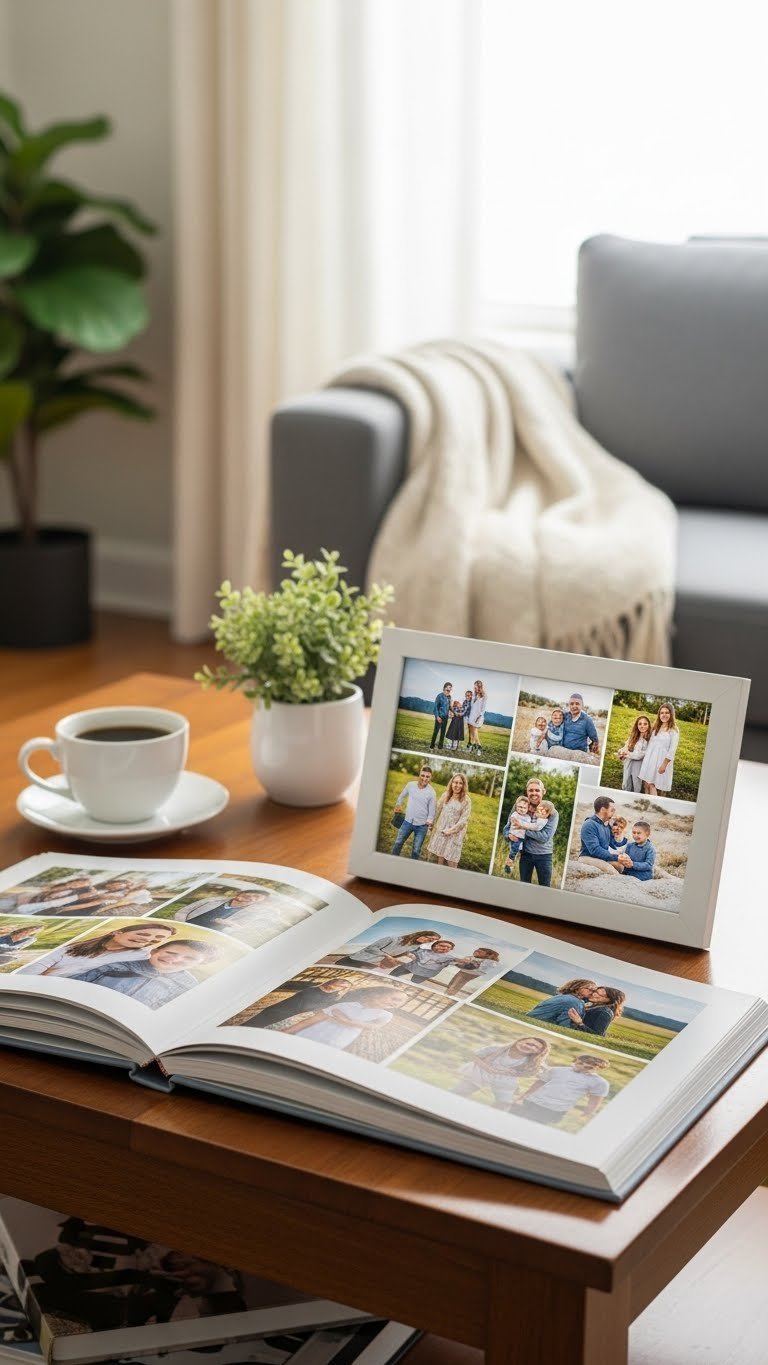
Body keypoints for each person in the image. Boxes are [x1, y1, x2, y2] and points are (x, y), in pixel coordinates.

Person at [72, 939, 221, 1009]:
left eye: (189, 958)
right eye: (170, 952)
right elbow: (76, 986)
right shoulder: (117, 965)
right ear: (155, 951)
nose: (174, 959)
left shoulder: (188, 986)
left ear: (199, 964)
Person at [20, 922, 180, 977]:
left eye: (156, 939)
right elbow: (32, 970)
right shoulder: (74, 947)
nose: (147, 940)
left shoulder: (141, 956)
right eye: (143, 934)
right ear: (117, 932)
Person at [280, 985, 408, 1051]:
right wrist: (286, 1031)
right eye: (394, 999)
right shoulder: (345, 1005)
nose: (396, 1003)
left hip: (335, 1042)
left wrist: (347, 1021)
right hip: (312, 1034)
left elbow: (374, 1027)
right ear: (376, 994)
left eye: (400, 1002)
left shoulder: (385, 1015)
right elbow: (311, 1020)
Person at [451, 1036, 551, 1109]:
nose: (531, 1047)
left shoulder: (531, 1061)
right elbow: (475, 1056)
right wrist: (489, 1068)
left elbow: (535, 1073)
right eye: (529, 1044)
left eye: (536, 1048)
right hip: (482, 1072)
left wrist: (516, 1073)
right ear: (519, 1041)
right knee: (461, 1090)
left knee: (504, 1103)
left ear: (538, 1052)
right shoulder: (496, 1049)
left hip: (505, 1079)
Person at [513, 1054, 611, 1125]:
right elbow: (540, 1082)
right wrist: (523, 1096)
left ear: (599, 1067)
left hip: (555, 1109)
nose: (586, 1066)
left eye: (593, 1065)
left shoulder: (599, 1082)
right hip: (532, 1101)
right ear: (576, 1062)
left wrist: (588, 1112)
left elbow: (595, 1099)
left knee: (535, 1125)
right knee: (515, 1118)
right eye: (582, 1063)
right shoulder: (557, 1070)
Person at [244, 976, 353, 1028]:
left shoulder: (332, 999)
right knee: (247, 1026)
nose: (339, 983)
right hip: (274, 1010)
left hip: (286, 1019)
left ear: (342, 989)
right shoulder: (314, 988)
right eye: (340, 981)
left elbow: (312, 1009)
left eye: (343, 984)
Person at [518, 778, 559, 887]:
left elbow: (545, 837)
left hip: (544, 856)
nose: (534, 793)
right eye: (531, 790)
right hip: (525, 855)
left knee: (544, 887)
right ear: (527, 792)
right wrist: (508, 834)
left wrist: (523, 829)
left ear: (543, 792)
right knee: (524, 886)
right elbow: (509, 827)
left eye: (537, 790)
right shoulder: (521, 807)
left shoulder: (552, 812)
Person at [334, 929, 442, 970]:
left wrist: (409, 956)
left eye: (431, 941)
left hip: (372, 964)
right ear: (421, 934)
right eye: (429, 938)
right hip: (357, 959)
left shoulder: (415, 946)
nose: (428, 941)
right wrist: (387, 956)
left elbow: (400, 954)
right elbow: (371, 948)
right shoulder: (392, 939)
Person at [427, 772, 472, 867]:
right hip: (443, 830)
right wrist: (431, 823)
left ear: (464, 785)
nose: (457, 785)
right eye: (455, 782)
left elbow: (463, 820)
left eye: (460, 783)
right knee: (441, 856)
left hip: (455, 834)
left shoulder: (466, 800)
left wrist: (450, 830)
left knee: (452, 861)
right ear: (451, 783)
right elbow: (437, 809)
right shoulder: (446, 795)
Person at [578, 796, 632, 875]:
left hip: (600, 858)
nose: (614, 813)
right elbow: (595, 850)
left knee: (620, 866)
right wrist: (617, 857)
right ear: (603, 810)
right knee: (611, 871)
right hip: (587, 857)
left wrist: (623, 856)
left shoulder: (606, 825)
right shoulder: (589, 824)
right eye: (612, 810)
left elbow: (613, 844)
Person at [391, 766, 436, 859]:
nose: (424, 778)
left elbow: (431, 812)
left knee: (416, 850)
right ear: (419, 775)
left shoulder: (432, 793)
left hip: (422, 826)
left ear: (430, 778)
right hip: (407, 822)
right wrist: (398, 804)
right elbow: (401, 796)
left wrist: (429, 821)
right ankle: (392, 861)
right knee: (398, 843)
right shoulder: (410, 785)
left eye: (427, 776)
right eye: (422, 775)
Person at [173, 888, 273, 930]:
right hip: (179, 926)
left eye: (256, 897)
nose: (250, 896)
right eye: (248, 893)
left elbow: (238, 929)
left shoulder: (248, 914)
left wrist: (230, 924)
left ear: (257, 903)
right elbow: (184, 911)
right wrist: (180, 924)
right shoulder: (214, 900)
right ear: (240, 894)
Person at [502, 796, 551, 874]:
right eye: (520, 807)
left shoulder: (529, 816)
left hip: (525, 840)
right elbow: (510, 826)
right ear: (516, 807)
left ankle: (511, 863)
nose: (522, 809)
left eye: (524, 808)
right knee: (514, 850)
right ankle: (509, 863)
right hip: (516, 837)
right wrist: (508, 835)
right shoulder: (515, 815)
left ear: (528, 808)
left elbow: (543, 835)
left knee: (519, 851)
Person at [639, 703, 680, 795]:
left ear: (671, 714)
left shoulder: (674, 730)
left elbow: (672, 750)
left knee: (652, 785)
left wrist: (664, 765)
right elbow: (649, 742)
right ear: (659, 714)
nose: (664, 715)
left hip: (661, 761)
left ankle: (654, 802)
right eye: (662, 713)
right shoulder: (656, 727)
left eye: (667, 713)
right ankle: (646, 801)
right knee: (646, 784)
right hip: (650, 759)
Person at [527, 978, 597, 1027]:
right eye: (590, 989)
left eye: (594, 991)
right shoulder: (573, 1002)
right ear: (577, 988)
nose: (592, 993)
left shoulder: (566, 997)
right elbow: (565, 1025)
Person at [390, 939, 465, 983]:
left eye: (448, 947)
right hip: (410, 967)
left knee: (413, 983)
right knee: (393, 974)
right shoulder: (423, 950)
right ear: (435, 945)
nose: (445, 948)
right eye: (442, 945)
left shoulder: (450, 958)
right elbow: (408, 949)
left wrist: (462, 962)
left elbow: (457, 962)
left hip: (425, 973)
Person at [555, 693, 600, 758]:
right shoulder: (565, 716)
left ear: (582, 706)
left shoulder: (587, 720)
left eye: (577, 704)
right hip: (564, 751)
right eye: (572, 704)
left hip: (578, 754)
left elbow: (595, 739)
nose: (574, 706)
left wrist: (592, 752)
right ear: (569, 705)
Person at [617, 714, 651, 792]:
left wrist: (628, 754)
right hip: (629, 762)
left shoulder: (649, 740)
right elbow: (626, 747)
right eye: (640, 724)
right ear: (637, 726)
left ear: (649, 725)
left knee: (636, 782)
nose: (642, 726)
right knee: (626, 781)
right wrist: (621, 752)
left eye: (645, 724)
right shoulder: (634, 736)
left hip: (639, 765)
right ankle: (626, 791)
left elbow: (642, 754)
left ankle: (636, 793)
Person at [466, 680, 488, 755]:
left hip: (478, 716)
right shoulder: (474, 696)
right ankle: (472, 747)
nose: (474, 688)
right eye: (474, 687)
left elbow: (483, 708)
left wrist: (479, 717)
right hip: (471, 716)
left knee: (475, 732)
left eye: (475, 687)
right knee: (472, 733)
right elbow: (472, 706)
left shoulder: (484, 696)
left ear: (479, 687)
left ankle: (479, 747)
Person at [429, 682, 453, 751]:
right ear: (445, 688)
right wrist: (437, 717)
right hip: (439, 717)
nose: (450, 689)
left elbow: (449, 707)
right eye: (449, 687)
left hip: (446, 717)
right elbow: (435, 707)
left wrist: (453, 712)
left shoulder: (449, 697)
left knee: (443, 733)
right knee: (436, 732)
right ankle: (431, 746)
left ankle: (440, 747)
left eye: (450, 688)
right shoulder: (439, 696)